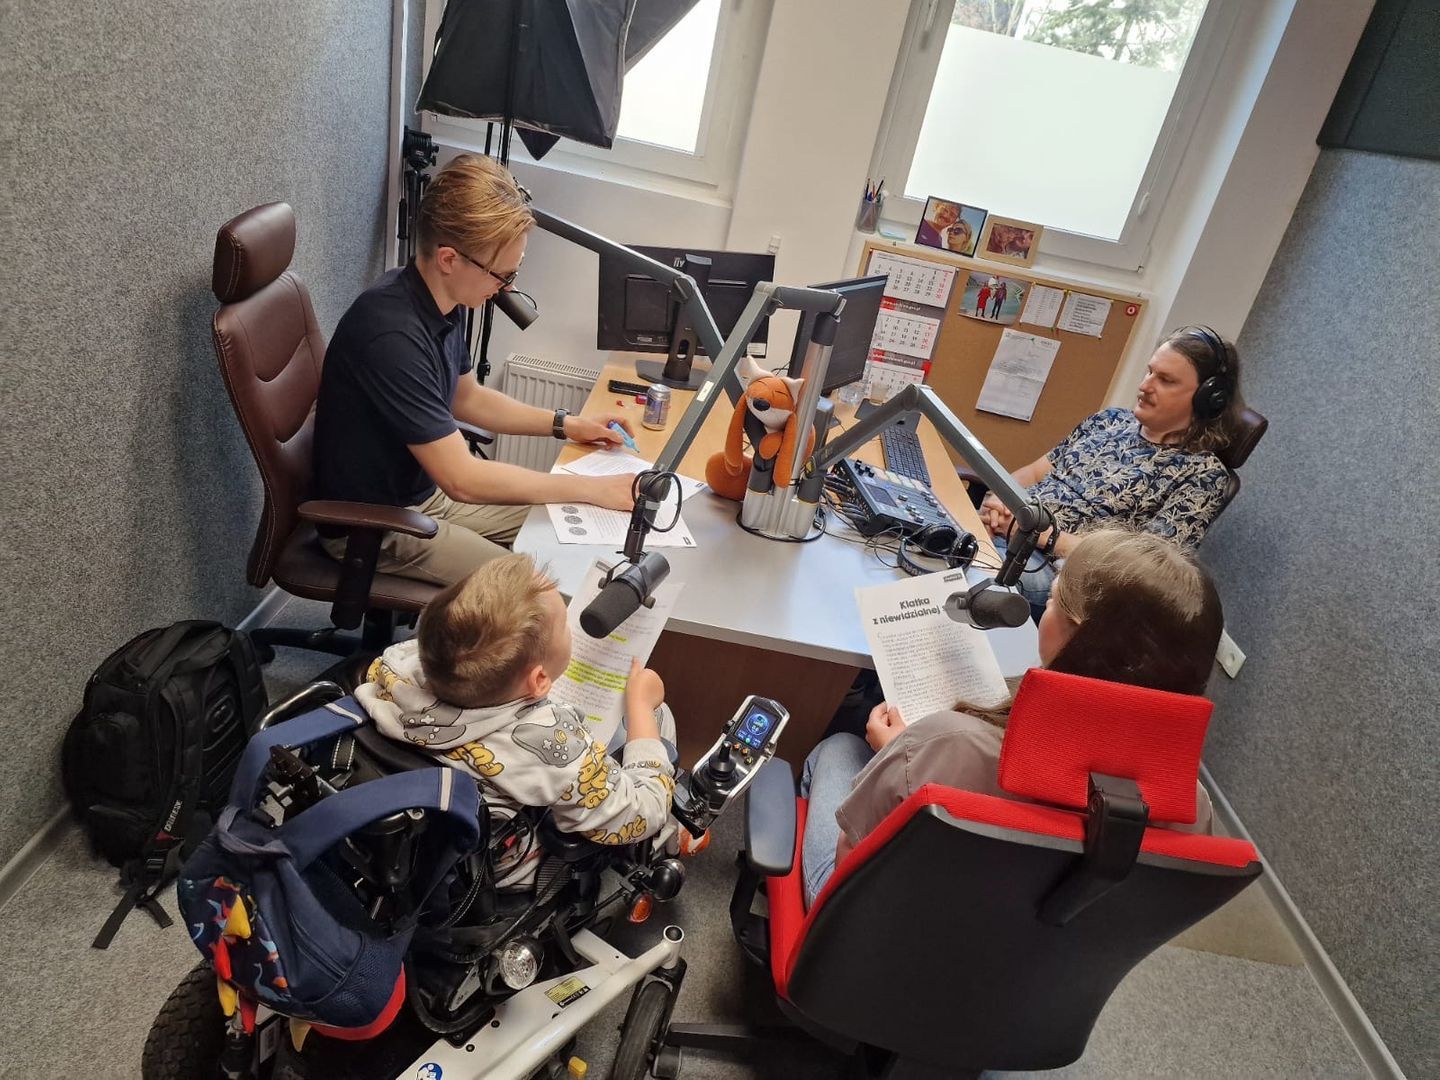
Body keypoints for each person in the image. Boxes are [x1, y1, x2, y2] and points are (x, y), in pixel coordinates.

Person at [799, 527, 1223, 907]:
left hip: (875, 942)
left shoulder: (945, 746)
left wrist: (901, 759)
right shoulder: (1192, 810)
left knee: (838, 748)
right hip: (1035, 965)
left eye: (1052, 600)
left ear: (1075, 636)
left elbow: (848, 875)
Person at [312, 154, 640, 586]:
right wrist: (593, 487)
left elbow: (467, 398)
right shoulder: (392, 335)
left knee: (569, 520)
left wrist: (567, 424)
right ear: (449, 259)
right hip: (377, 527)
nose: (508, 288)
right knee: (534, 592)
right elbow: (462, 479)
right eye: (502, 275)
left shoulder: (443, 300)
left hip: (425, 496)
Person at [355, 553, 679, 888]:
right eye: (564, 625)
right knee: (659, 721)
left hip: (405, 828)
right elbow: (641, 812)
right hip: (493, 867)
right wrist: (640, 707)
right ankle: (667, 840)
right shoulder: (550, 747)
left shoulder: (395, 666)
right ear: (539, 680)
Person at [977, 326, 1244, 609]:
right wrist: (1000, 502)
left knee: (968, 572)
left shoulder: (1203, 476)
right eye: (1149, 372)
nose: (1145, 386)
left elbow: (1143, 566)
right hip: (1011, 532)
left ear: (1208, 400)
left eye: (1165, 380)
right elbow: (1033, 473)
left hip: (1057, 572)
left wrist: (1042, 536)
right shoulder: (1109, 420)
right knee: (948, 535)